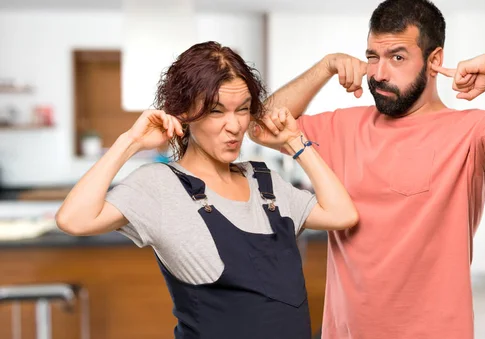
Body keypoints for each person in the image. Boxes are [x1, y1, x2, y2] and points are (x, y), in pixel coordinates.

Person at [251, 1, 485, 338]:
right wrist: (326, 66)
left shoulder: (467, 133)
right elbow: (260, 127)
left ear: (434, 61)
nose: (379, 73)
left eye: (398, 58)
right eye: (373, 57)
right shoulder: (344, 126)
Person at [55, 41, 358, 338]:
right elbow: (74, 219)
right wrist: (129, 142)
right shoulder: (160, 186)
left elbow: (342, 214)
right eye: (216, 111)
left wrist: (295, 142)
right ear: (184, 113)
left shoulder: (266, 184)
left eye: (243, 109)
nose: (235, 126)